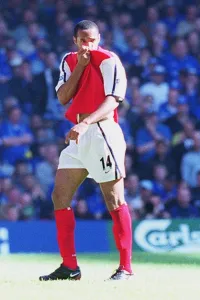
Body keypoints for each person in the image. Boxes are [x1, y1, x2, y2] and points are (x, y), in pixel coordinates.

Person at [39, 20, 133, 281]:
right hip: (78, 135)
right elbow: (62, 97)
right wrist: (80, 66)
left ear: (99, 38)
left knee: (114, 200)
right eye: (83, 40)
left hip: (102, 131)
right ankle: (70, 267)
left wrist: (86, 122)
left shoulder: (109, 60)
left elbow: (113, 100)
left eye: (92, 40)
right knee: (59, 196)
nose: (88, 45)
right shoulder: (69, 61)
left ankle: (126, 268)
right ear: (75, 40)